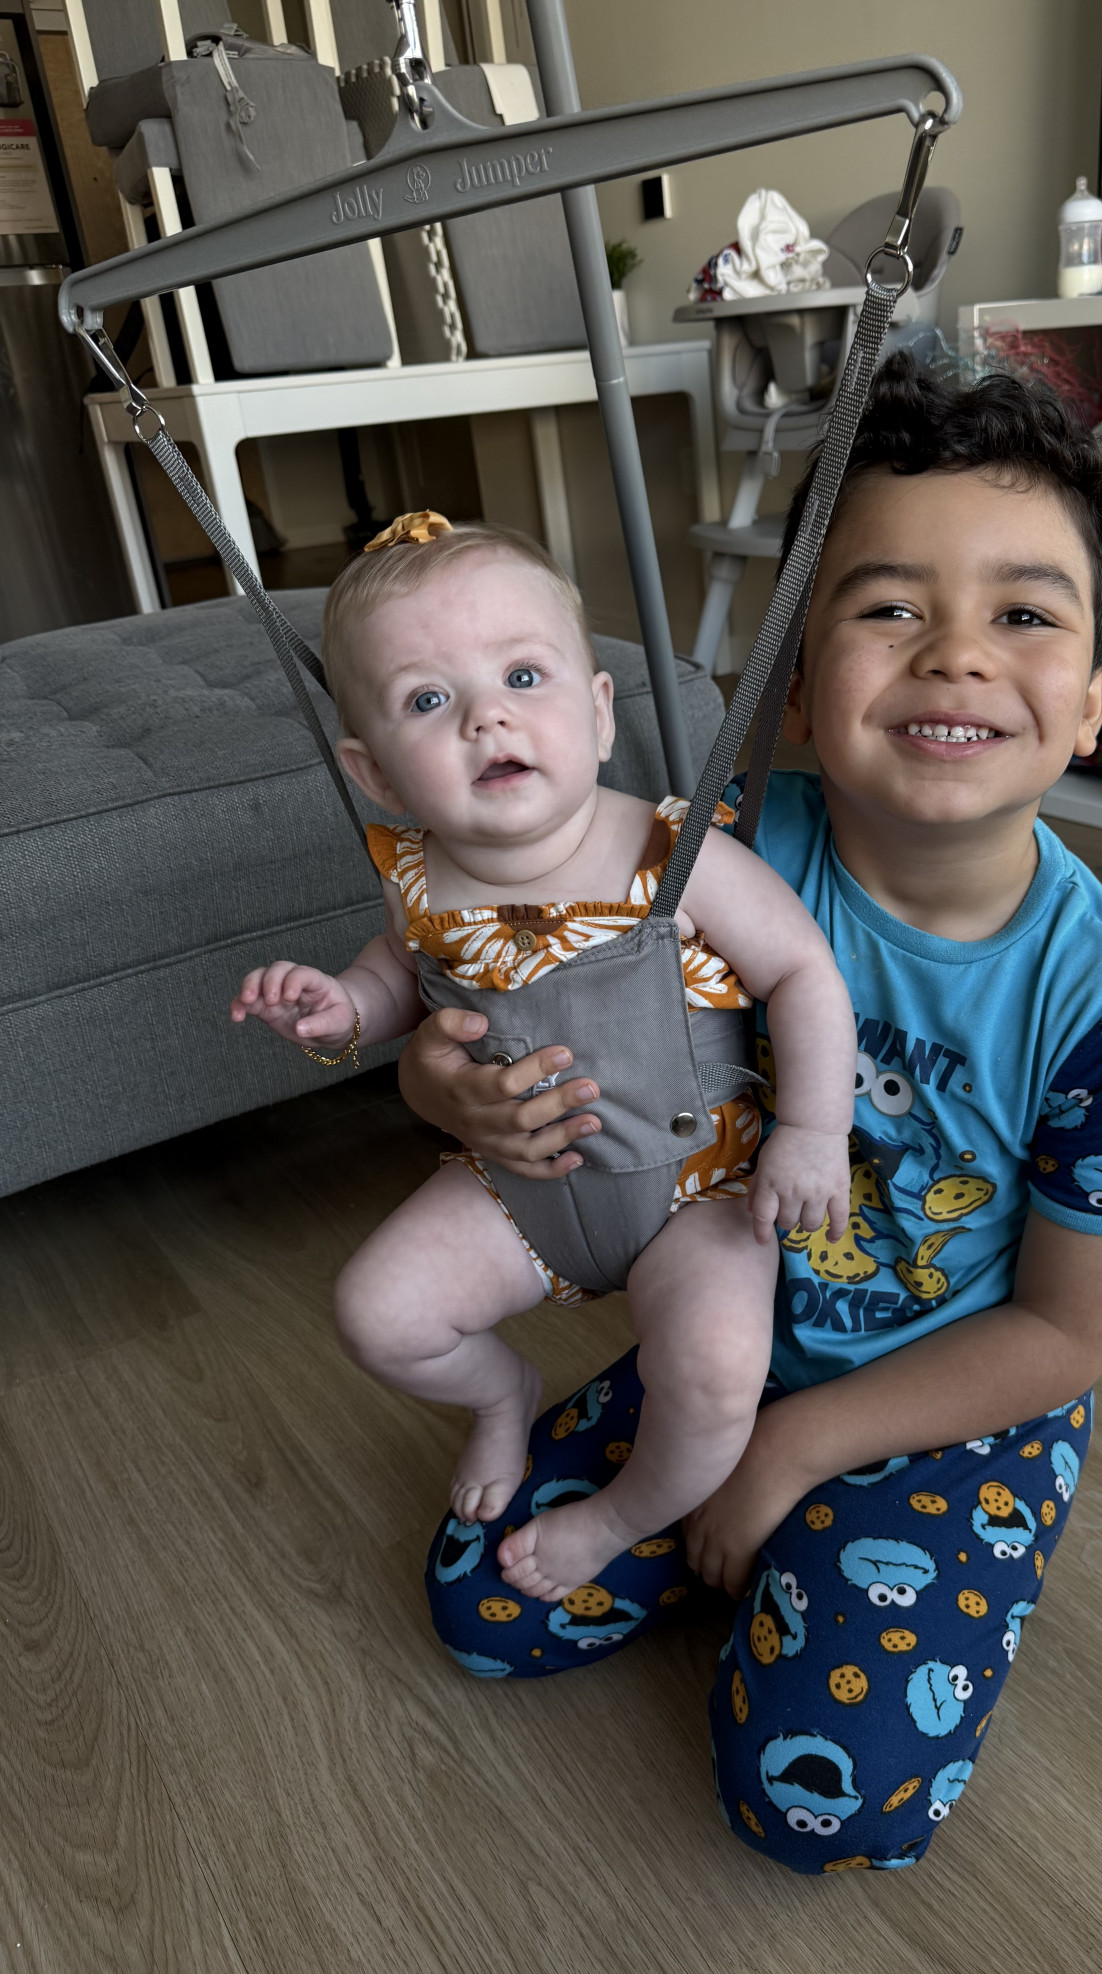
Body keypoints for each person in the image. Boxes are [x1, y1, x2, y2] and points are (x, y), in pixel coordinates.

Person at [399, 361, 1102, 1874]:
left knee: (820, 1800)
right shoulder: (718, 850)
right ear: (803, 690)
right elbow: (484, 1005)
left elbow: (1064, 1333)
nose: (957, 654)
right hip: (727, 1330)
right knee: (482, 1605)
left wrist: (792, 1456)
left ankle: (822, 1549)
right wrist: (445, 1088)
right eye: (889, 607)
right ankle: (756, 1541)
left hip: (953, 1402)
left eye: (1026, 615)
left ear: (1096, 699)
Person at [231, 515, 854, 1601]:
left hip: (696, 1191)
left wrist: (812, 1128)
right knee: (378, 1312)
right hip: (517, 1193)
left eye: (523, 675)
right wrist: (342, 1009)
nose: (488, 716)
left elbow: (803, 971)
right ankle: (499, 1394)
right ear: (374, 773)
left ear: (599, 713)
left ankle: (620, 1516)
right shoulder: (417, 880)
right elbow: (398, 982)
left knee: (715, 1370)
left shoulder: (673, 851)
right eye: (429, 700)